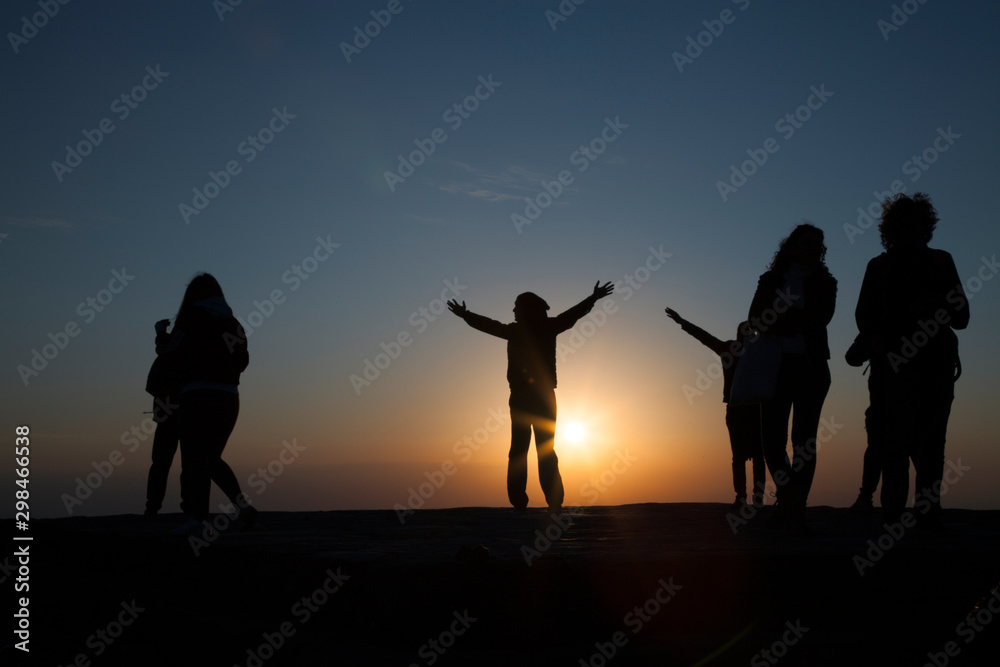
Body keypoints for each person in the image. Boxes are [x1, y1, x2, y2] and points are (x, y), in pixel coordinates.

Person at [854, 193, 968, 529]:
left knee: (933, 438)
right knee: (896, 438)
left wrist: (936, 303)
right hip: (894, 365)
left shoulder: (942, 262)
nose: (914, 231)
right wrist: (909, 313)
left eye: (920, 224)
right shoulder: (880, 266)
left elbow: (962, 316)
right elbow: (865, 318)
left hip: (937, 363)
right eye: (907, 224)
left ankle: (927, 512)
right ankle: (893, 512)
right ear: (894, 229)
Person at [448, 282, 614, 511]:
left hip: (530, 398)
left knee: (524, 450)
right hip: (533, 398)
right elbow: (490, 325)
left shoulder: (532, 329)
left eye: (517, 307)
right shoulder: (538, 328)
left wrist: (593, 298)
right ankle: (548, 501)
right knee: (536, 449)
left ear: (527, 309)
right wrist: (593, 298)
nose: (514, 311)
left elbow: (572, 314)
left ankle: (531, 501)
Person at [748, 223, 837, 535]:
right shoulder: (771, 279)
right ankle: (787, 499)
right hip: (774, 366)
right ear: (792, 246)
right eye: (806, 243)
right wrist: (788, 321)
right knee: (772, 442)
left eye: (817, 244)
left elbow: (821, 317)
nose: (812, 248)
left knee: (804, 442)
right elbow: (755, 318)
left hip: (811, 367)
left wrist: (779, 319)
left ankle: (795, 509)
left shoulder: (826, 282)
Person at [168, 273, 255, 532]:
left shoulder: (190, 318)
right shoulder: (233, 323)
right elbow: (243, 361)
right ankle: (242, 506)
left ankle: (198, 518)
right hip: (229, 397)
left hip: (197, 394)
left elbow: (172, 352)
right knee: (211, 457)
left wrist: (160, 336)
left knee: (195, 457)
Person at [143, 317, 247, 519]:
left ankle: (170, 507)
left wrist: (160, 333)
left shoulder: (184, 341)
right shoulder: (196, 342)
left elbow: (163, 355)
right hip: (184, 406)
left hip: (184, 406)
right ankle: (177, 507)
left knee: (178, 460)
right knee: (179, 460)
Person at [664, 308, 766, 509]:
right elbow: (704, 337)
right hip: (740, 409)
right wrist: (683, 322)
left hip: (752, 409)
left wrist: (683, 322)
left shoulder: (755, 351)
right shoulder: (735, 349)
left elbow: (705, 338)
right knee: (745, 456)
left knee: (752, 456)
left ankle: (752, 496)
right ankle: (746, 496)